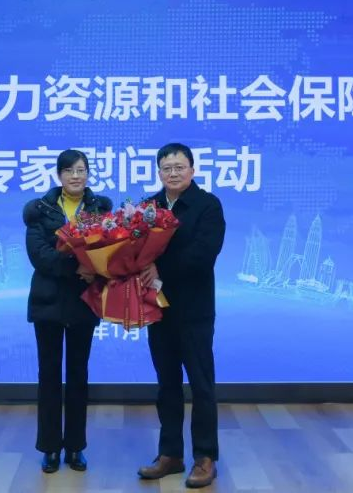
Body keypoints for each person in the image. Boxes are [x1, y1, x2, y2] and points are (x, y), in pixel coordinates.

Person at [137, 143, 226, 489]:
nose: (172, 173)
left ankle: (205, 457)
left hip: (194, 311)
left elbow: (203, 255)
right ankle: (170, 454)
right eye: (166, 168)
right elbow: (134, 251)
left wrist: (159, 269)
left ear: (192, 170)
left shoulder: (208, 205)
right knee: (167, 385)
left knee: (201, 385)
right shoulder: (148, 207)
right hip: (158, 309)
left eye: (179, 167)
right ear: (159, 172)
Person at [23, 149, 113, 474]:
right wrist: (77, 267)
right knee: (48, 376)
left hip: (83, 303)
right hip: (48, 303)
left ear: (88, 174)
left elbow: (110, 251)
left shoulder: (100, 209)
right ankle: (49, 447)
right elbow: (39, 255)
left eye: (81, 170)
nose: (76, 176)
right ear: (59, 175)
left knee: (78, 375)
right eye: (69, 170)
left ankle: (75, 447)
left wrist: (97, 268)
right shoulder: (40, 210)